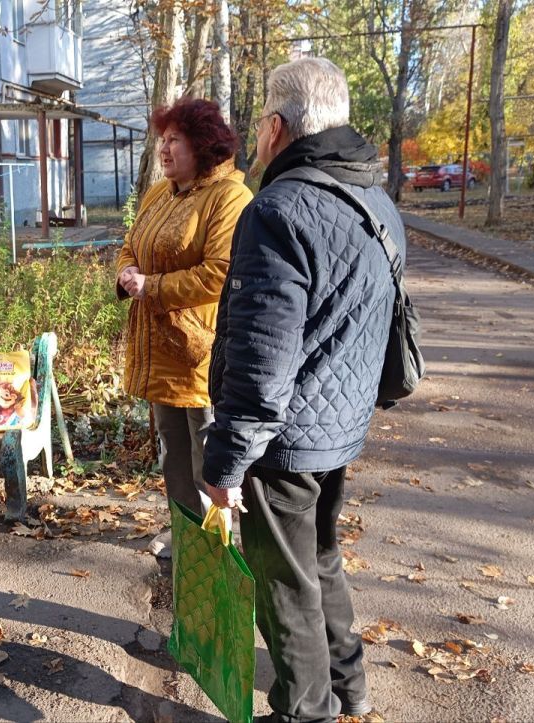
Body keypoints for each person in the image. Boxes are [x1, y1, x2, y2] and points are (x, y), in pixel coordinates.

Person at [202, 58, 396, 722]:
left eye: (259, 124)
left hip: (282, 443)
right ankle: (353, 686)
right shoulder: (377, 202)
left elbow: (260, 365)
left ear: (276, 127)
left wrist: (225, 466)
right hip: (339, 429)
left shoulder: (277, 209)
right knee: (320, 558)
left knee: (286, 591)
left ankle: (304, 710)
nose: (257, 139)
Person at [115, 97, 252, 553]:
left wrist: (151, 286)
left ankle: (218, 549)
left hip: (202, 357)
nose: (164, 150)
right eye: (162, 140)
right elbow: (131, 245)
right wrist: (127, 272)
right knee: (173, 456)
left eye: (175, 140)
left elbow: (221, 271)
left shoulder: (229, 197)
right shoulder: (160, 192)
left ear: (203, 144)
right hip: (161, 353)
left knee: (209, 460)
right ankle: (187, 537)